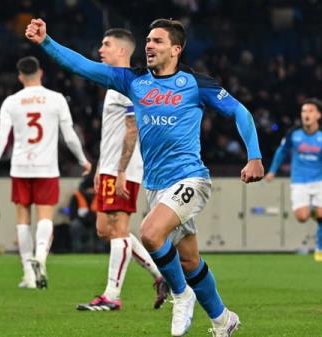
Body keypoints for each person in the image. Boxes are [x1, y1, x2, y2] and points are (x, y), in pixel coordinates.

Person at [26, 18, 264, 337]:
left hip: (191, 179)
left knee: (150, 233)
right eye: (148, 40)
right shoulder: (133, 81)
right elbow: (83, 67)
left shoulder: (196, 84)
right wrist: (46, 42)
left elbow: (240, 112)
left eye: (158, 41)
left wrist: (255, 156)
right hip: (156, 186)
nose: (149, 45)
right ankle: (223, 320)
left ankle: (181, 296)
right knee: (190, 261)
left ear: (176, 49)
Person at [75, 28, 169, 312]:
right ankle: (160, 274)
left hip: (124, 170)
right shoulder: (114, 84)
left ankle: (111, 296)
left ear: (122, 51)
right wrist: (102, 168)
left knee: (118, 229)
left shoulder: (131, 85)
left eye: (106, 44)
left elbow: (132, 130)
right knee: (105, 229)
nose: (100, 50)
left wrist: (120, 171)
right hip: (109, 168)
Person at [0, 56, 91, 289]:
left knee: (22, 219)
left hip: (20, 167)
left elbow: (1, 138)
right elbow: (69, 134)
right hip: (47, 168)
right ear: (40, 73)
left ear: (20, 76)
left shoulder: (11, 102)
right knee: (45, 216)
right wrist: (83, 159)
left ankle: (28, 275)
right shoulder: (56, 99)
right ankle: (40, 258)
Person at [265, 98, 322, 262]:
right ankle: (311, 210)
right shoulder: (294, 133)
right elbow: (281, 151)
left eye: (310, 111)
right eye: (304, 111)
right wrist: (272, 171)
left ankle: (319, 250)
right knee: (302, 217)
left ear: (318, 115)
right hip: (299, 181)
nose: (306, 114)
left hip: (321, 180)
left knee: (321, 215)